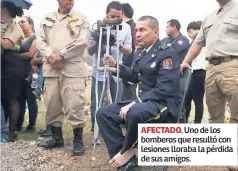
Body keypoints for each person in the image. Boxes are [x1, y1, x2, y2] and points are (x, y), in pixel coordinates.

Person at [97, 16, 181, 170]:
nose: (137, 34)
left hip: (163, 105)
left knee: (134, 112)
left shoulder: (167, 54)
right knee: (103, 113)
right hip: (144, 102)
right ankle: (128, 164)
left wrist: (134, 102)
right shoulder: (141, 53)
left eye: (142, 30)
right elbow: (136, 76)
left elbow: (164, 90)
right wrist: (116, 67)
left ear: (155, 32)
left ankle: (126, 151)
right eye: (136, 30)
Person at [180, 1, 238, 169]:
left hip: (233, 64)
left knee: (236, 111)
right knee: (214, 112)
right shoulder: (209, 16)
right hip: (211, 67)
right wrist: (185, 61)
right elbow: (198, 43)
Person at [36, 0, 89, 156]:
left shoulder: (81, 18)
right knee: (52, 103)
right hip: (51, 68)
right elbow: (40, 40)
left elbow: (82, 41)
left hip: (72, 68)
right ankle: (57, 137)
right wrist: (51, 56)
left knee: (75, 103)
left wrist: (62, 55)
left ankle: (78, 141)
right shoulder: (47, 18)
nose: (71, 1)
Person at [87, 1, 132, 143]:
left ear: (122, 15)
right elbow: (89, 50)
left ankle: (114, 132)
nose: (114, 20)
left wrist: (119, 45)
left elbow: (129, 50)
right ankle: (96, 132)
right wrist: (99, 40)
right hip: (98, 70)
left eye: (118, 17)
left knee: (116, 102)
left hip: (116, 71)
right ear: (107, 13)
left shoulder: (125, 28)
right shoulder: (96, 26)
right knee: (96, 102)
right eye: (112, 16)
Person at [1, 1, 24, 142]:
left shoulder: (13, 25)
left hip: (11, 61)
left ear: (5, 10)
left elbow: (6, 44)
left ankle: (12, 131)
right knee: (2, 98)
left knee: (11, 98)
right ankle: (2, 128)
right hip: (1, 61)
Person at [17, 16, 38, 133]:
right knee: (20, 99)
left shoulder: (35, 37)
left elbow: (31, 54)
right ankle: (18, 124)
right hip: (18, 71)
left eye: (23, 22)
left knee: (30, 99)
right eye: (19, 22)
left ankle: (31, 125)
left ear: (30, 24)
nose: (20, 24)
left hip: (30, 71)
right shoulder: (19, 38)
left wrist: (16, 56)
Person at [185, 21, 207, 123]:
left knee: (197, 99)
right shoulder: (204, 37)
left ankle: (197, 122)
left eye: (189, 32)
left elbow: (194, 54)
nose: (189, 36)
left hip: (199, 71)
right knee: (190, 97)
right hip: (197, 72)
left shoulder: (199, 38)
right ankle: (186, 119)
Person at [121, 3, 137, 100]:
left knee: (128, 99)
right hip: (122, 69)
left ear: (121, 13)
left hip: (129, 70)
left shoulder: (133, 27)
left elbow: (138, 48)